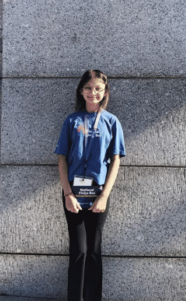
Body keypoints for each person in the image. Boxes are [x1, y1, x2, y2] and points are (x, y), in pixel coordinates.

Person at [55, 69, 126, 301]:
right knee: (79, 252)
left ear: (105, 92)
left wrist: (105, 195)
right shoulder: (71, 120)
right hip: (73, 195)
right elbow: (62, 158)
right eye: (88, 87)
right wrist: (67, 193)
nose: (92, 92)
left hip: (98, 195)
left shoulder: (112, 121)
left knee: (94, 252)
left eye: (98, 88)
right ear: (81, 90)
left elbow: (116, 159)